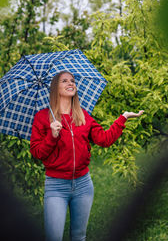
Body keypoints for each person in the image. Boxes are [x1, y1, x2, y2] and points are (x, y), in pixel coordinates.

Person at [30, 71, 144, 241]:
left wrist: (123, 118)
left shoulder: (83, 116)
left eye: (72, 81)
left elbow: (104, 140)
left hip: (83, 185)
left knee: (79, 237)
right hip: (56, 186)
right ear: (55, 88)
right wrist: (52, 136)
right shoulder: (42, 118)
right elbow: (37, 152)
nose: (71, 83)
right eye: (64, 81)